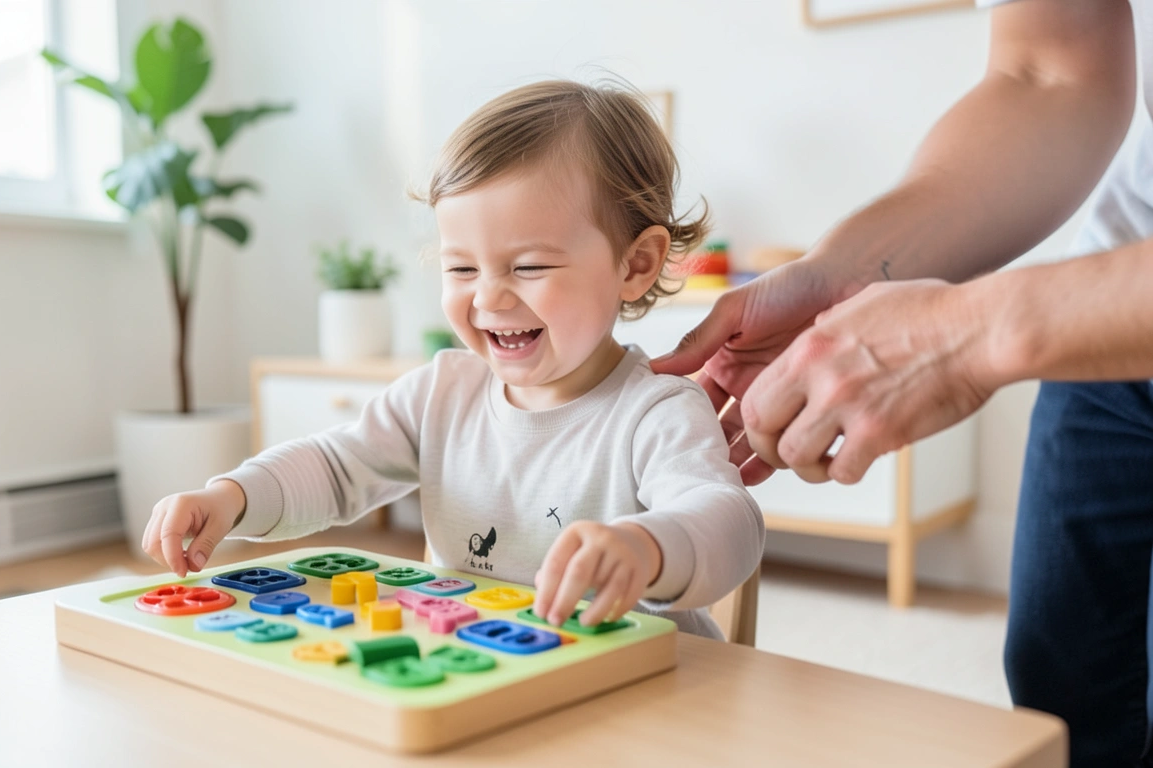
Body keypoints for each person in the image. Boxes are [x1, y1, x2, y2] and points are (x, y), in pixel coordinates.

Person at [652, 0, 1153, 763]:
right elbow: (1046, 72)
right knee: (1064, 680)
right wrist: (834, 276)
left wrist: (973, 331)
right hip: (1110, 294)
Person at [142, 79, 765, 639]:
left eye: (528, 267)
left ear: (635, 265)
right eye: (461, 267)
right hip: (483, 677)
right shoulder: (442, 392)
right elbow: (334, 467)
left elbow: (727, 523)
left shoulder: (656, 410)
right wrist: (232, 496)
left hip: (645, 694)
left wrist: (648, 547)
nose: (489, 296)